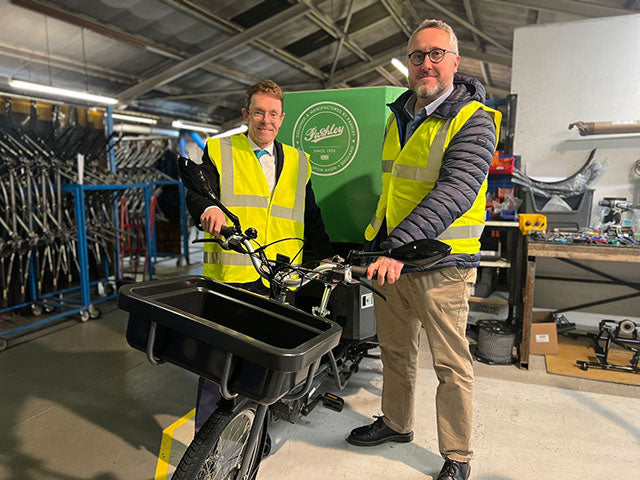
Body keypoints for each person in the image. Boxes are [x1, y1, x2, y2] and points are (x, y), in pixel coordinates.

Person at [346, 20, 501, 480]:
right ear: (408, 64)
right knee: (394, 351)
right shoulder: (401, 114)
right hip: (394, 261)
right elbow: (394, 191)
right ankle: (396, 423)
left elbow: (454, 192)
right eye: (417, 56)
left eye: (436, 54)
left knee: (450, 364)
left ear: (455, 61)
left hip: (442, 265)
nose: (426, 63)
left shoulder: (473, 119)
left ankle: (457, 455)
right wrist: (374, 245)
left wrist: (396, 249)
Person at [186, 79, 331, 433]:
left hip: (282, 277)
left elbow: (310, 215)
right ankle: (208, 438)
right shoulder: (220, 150)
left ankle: (253, 433)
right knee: (217, 363)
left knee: (266, 364)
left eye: (273, 114)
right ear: (246, 114)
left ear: (282, 118)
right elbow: (196, 192)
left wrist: (328, 257)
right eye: (258, 112)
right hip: (233, 277)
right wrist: (208, 208)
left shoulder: (299, 161)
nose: (266, 120)